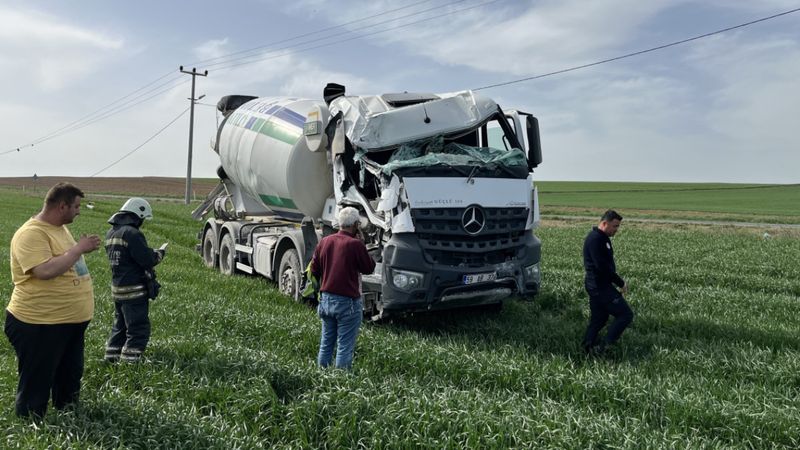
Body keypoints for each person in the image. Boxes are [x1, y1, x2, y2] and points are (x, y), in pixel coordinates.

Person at [5, 182, 101, 418]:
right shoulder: (31, 234)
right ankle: (31, 423)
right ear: (62, 206)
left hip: (68, 322)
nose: (79, 211)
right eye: (76, 206)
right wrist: (78, 249)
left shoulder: (60, 229)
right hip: (40, 323)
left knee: (69, 374)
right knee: (37, 380)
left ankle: (68, 415)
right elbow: (44, 271)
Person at [310, 207, 376, 370]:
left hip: (326, 299)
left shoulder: (325, 241)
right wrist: (363, 244)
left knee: (326, 344)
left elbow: (314, 269)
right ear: (355, 225)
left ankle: (321, 375)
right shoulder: (355, 244)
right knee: (344, 346)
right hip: (348, 302)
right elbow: (369, 268)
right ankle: (340, 380)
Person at [103, 198, 166, 363]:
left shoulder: (111, 233)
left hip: (118, 289)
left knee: (120, 326)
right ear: (138, 215)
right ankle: (130, 362)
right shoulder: (132, 234)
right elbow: (146, 260)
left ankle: (111, 357)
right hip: (134, 291)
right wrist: (159, 254)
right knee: (138, 328)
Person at [581, 209, 634, 355]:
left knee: (599, 318)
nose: (617, 229)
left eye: (618, 226)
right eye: (615, 226)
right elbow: (602, 268)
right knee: (625, 315)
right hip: (600, 287)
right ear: (604, 223)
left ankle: (587, 347)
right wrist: (621, 283)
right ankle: (604, 347)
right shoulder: (595, 240)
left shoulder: (602, 238)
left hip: (598, 285)